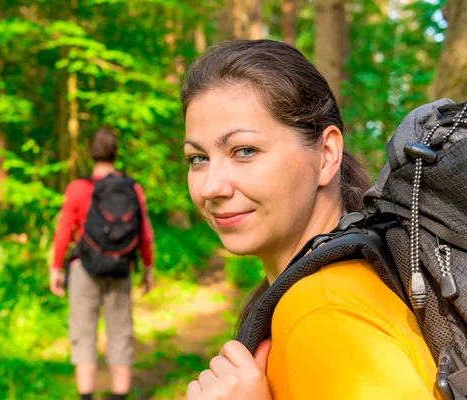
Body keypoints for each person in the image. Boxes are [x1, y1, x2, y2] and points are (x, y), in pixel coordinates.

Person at [181, 40, 437, 399]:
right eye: (198, 158)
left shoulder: (324, 312)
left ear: (327, 154)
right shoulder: (344, 280)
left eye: (244, 151)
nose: (211, 187)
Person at [50, 128, 155, 400]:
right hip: (121, 268)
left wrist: (56, 268)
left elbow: (64, 231)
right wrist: (148, 269)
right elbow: (145, 232)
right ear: (116, 153)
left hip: (83, 268)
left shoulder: (78, 188)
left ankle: (87, 395)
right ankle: (119, 396)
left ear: (90, 153)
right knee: (120, 332)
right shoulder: (132, 188)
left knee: (83, 332)